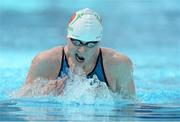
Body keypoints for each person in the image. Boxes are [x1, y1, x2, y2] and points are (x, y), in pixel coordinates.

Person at [22, 8, 135, 98]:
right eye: (76, 42)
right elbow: (19, 99)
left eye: (90, 44)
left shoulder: (119, 65)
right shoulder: (45, 62)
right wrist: (45, 92)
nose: (82, 50)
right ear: (68, 37)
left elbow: (130, 108)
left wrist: (108, 97)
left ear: (99, 42)